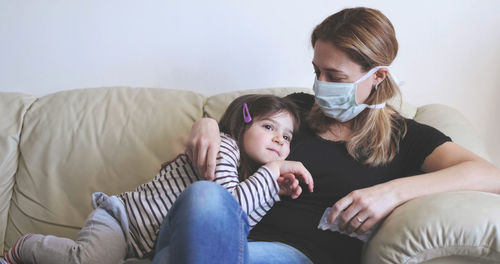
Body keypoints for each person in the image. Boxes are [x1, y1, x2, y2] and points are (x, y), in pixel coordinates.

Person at [153, 7, 500, 264]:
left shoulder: (406, 137)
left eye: (335, 76)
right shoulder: (297, 110)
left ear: (377, 77)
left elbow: (489, 175)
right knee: (205, 197)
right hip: (223, 235)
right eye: (317, 72)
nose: (320, 85)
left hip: (294, 254)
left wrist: (391, 193)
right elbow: (240, 123)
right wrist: (207, 124)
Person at [0, 94, 314, 264]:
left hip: (148, 244)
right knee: (90, 261)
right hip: (121, 221)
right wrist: (272, 173)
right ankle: (28, 247)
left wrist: (271, 190)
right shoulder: (223, 146)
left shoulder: (251, 176)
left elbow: (237, 225)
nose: (279, 140)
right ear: (241, 123)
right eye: (269, 127)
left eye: (286, 137)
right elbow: (225, 211)